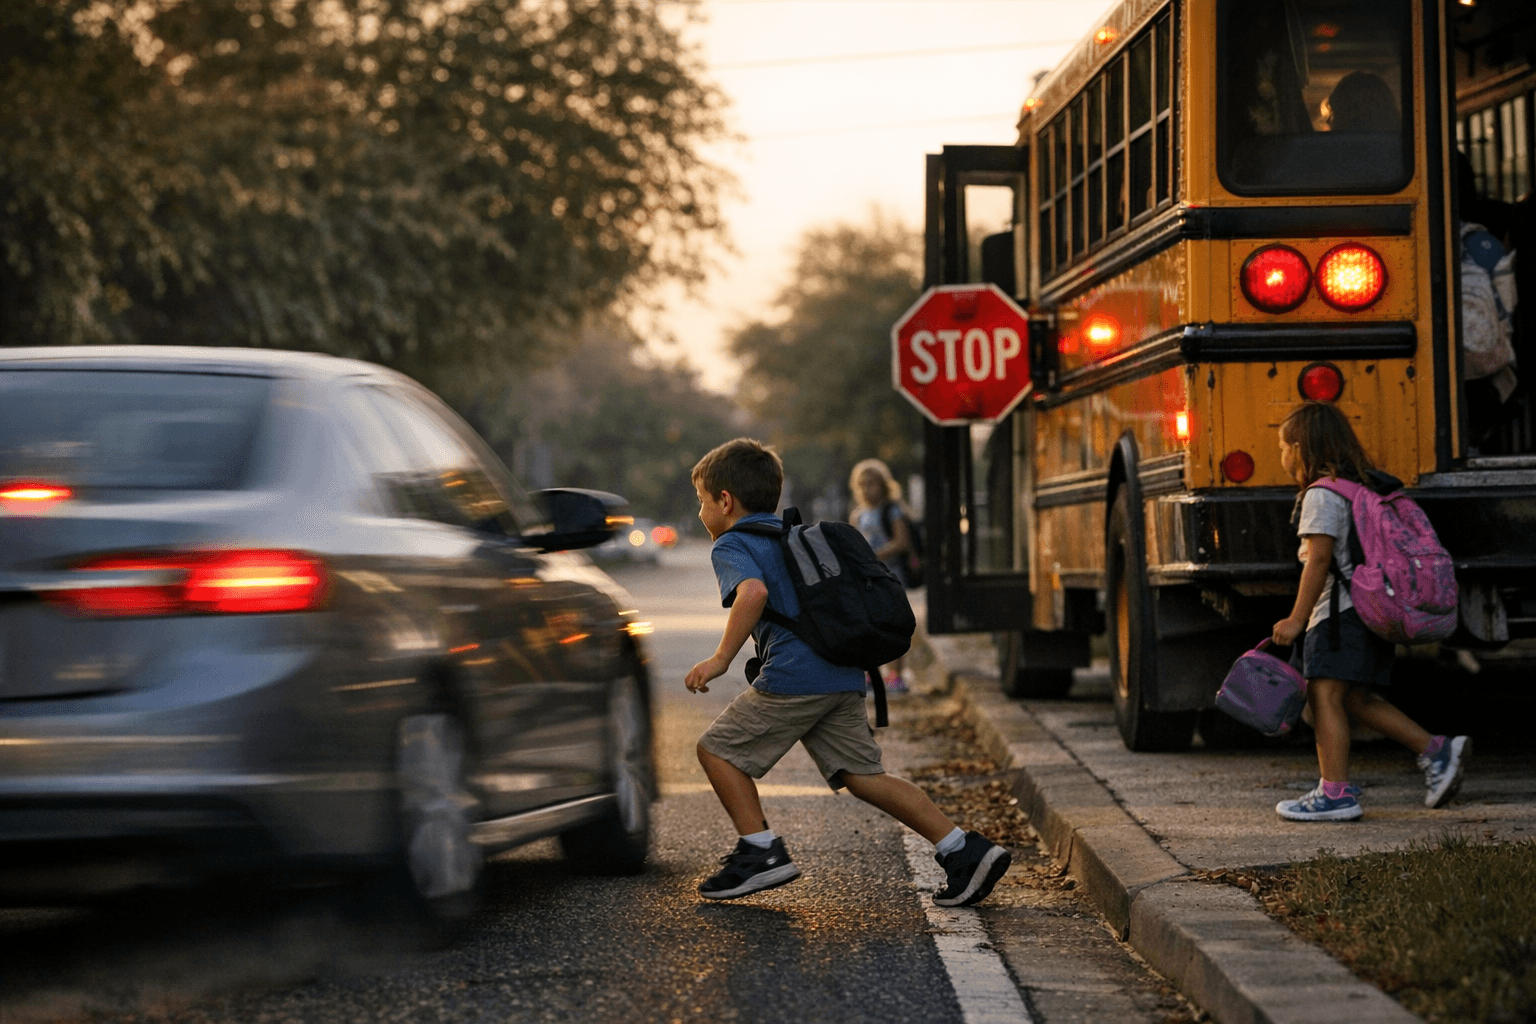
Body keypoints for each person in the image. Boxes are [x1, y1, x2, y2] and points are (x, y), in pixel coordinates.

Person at [685, 437, 1011, 904]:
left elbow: (752, 593)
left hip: (796, 676)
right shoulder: (787, 537)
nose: (700, 514)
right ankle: (964, 849)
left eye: (701, 502)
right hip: (842, 672)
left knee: (717, 752)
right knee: (863, 776)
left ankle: (760, 851)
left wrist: (720, 660)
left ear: (725, 500)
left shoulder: (733, 544)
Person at [1270, 403, 1470, 822]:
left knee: (1323, 696)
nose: (1282, 456)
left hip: (1339, 617)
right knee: (1357, 700)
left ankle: (1335, 793)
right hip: (1372, 610)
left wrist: (1296, 619)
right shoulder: (1365, 487)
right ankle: (1437, 751)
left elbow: (1319, 561)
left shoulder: (1321, 494)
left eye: (1284, 446)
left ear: (1301, 447)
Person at [848, 458, 918, 694]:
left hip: (891, 577)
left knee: (893, 626)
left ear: (884, 485)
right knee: (868, 626)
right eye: (863, 484)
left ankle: (895, 675)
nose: (868, 489)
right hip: (866, 579)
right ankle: (871, 673)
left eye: (873, 484)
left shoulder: (892, 510)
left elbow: (902, 541)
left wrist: (874, 555)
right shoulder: (858, 514)